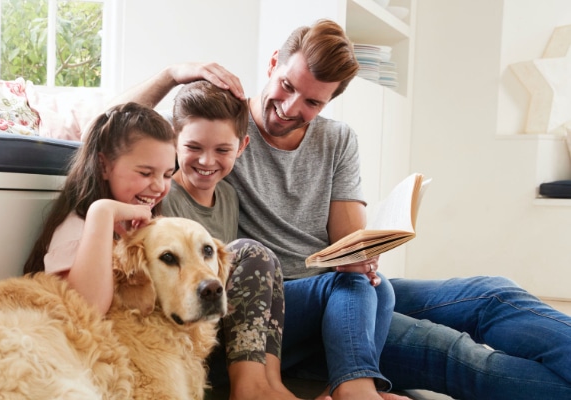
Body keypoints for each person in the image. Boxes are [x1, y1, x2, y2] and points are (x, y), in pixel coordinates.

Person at [109, 18, 571, 400]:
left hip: (336, 286)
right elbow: (113, 131)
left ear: (329, 102)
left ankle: (352, 368)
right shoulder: (220, 128)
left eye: (312, 101)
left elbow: (350, 245)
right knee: (461, 357)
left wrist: (367, 254)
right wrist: (173, 73)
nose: (289, 107)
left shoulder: (336, 139)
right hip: (278, 303)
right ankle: (356, 383)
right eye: (286, 86)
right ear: (272, 64)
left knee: (491, 293)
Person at [160, 80, 334, 400]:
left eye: (222, 150)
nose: (207, 161)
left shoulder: (227, 195)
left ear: (241, 147)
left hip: (219, 326)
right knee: (250, 250)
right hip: (183, 330)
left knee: (268, 262)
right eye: (194, 147)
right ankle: (250, 389)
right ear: (174, 141)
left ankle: (270, 382)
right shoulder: (164, 195)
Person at [23, 101, 176, 316]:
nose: (160, 186)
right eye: (145, 173)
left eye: (168, 175)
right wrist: (103, 212)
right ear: (104, 166)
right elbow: (87, 311)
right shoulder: (78, 230)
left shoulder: (136, 224)